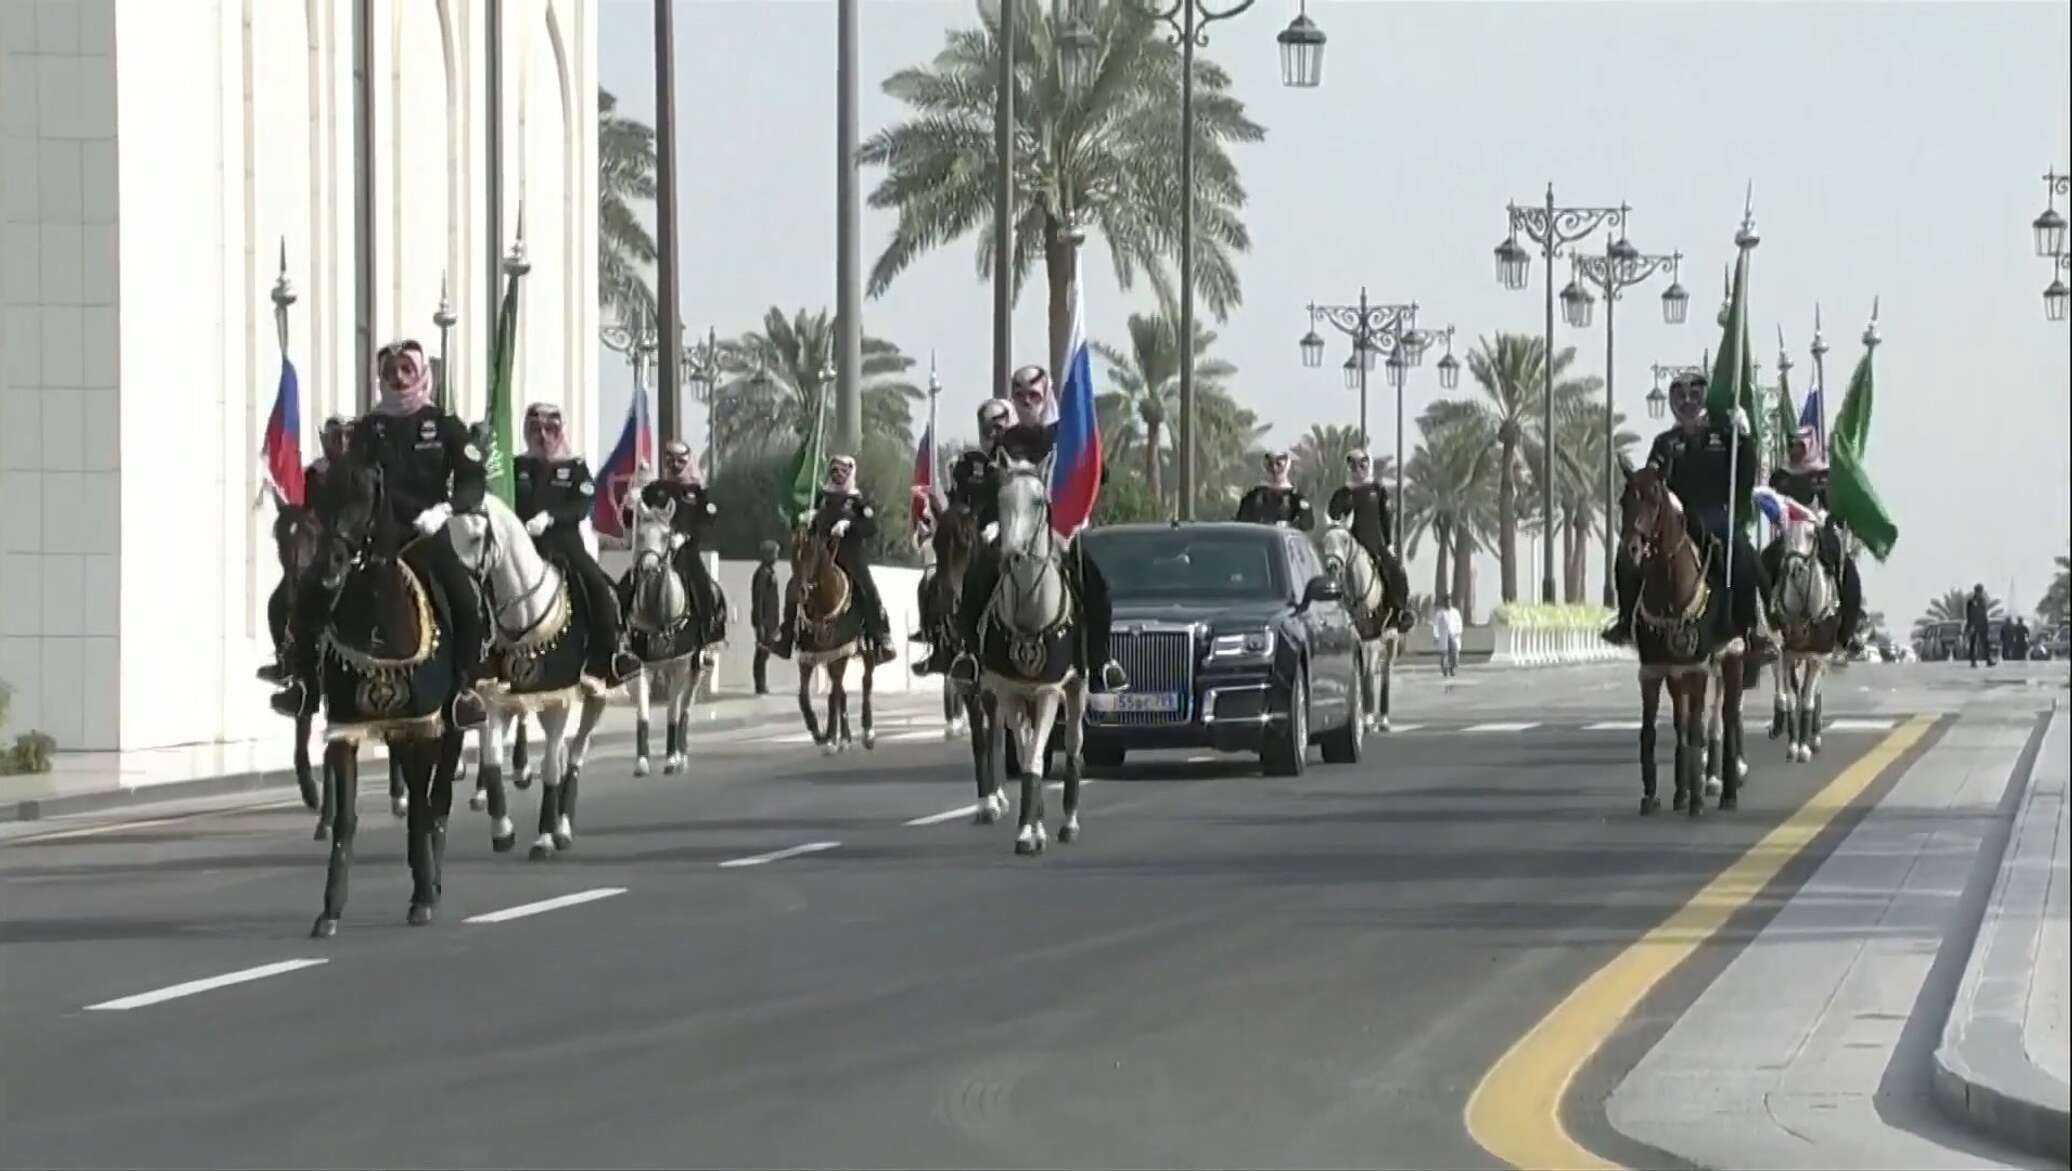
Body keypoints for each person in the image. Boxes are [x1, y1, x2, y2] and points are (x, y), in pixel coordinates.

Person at [271, 340, 490, 731]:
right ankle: (304, 682)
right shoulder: (369, 426)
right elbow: (349, 477)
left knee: (467, 602)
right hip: (375, 535)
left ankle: (464, 690)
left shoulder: (444, 424)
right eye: (390, 372)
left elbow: (473, 482)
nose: (399, 378)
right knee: (311, 592)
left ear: (423, 374)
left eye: (407, 369)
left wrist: (446, 510)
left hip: (426, 536)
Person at [950, 365, 1129, 692]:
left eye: (1033, 395)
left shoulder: (1068, 433)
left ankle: (1101, 662)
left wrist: (1087, 455)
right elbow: (995, 487)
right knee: (977, 577)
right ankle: (970, 655)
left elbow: (1097, 474)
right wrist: (990, 525)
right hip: (1016, 531)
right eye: (1019, 396)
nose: (1026, 401)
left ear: (1046, 396)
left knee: (1096, 587)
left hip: (1062, 532)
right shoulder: (1007, 441)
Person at [1603, 370, 1775, 662]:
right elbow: (1651, 482)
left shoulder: (1724, 437)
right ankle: (1625, 620)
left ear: (1704, 400)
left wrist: (1745, 441)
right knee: (1626, 555)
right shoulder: (1664, 443)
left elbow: (1745, 476)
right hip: (1677, 514)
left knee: (1744, 555)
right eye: (1679, 397)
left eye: (1693, 396)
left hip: (1715, 513)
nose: (1687, 403)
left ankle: (1753, 628)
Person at [514, 402, 640, 687]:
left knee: (599, 586)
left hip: (564, 544)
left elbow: (582, 506)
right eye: (536, 429)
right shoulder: (516, 466)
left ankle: (612, 653)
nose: (543, 436)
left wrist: (551, 518)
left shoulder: (575, 467)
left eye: (550, 429)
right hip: (522, 544)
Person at [912, 403, 1008, 677]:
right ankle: (937, 642)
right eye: (987, 428)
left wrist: (999, 526)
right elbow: (955, 499)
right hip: (966, 534)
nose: (992, 433)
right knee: (931, 581)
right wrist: (936, 519)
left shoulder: (1018, 460)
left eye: (997, 426)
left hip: (1003, 536)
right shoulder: (967, 464)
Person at [778, 454, 898, 667]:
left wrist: (849, 524)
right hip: (821, 556)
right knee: (794, 586)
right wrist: (809, 518)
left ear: (850, 473)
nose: (838, 475)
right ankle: (786, 636)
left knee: (869, 589)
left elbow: (870, 528)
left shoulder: (859, 501)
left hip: (850, 556)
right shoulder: (822, 497)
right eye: (834, 470)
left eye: (843, 471)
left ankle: (881, 638)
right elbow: (812, 528)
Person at [259, 415, 350, 684]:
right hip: (318, 548)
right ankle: (285, 662)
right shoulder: (313, 474)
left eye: (345, 436)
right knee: (279, 603)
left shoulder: (361, 471)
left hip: (351, 547)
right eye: (335, 437)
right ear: (325, 439)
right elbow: (300, 504)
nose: (341, 443)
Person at [1759, 426, 1863, 652]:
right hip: (1790, 532)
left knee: (1849, 573)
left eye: (1800, 446)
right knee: (1763, 565)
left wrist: (1832, 512)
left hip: (1819, 530)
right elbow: (1772, 503)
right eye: (1792, 446)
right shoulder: (1782, 476)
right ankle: (1765, 627)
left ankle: (1846, 633)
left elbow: (1835, 504)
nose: (1795, 450)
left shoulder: (1826, 474)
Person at [636, 441, 726, 646]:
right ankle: (623, 640)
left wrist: (685, 536)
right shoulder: (654, 489)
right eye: (670, 460)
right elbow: (634, 517)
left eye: (680, 460)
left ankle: (707, 638)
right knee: (627, 586)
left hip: (685, 552)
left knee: (704, 588)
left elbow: (707, 522)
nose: (675, 465)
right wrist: (635, 495)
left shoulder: (698, 492)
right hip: (656, 552)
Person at [1326, 450, 1416, 633]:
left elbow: (1386, 518)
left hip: (1375, 544)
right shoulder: (1341, 494)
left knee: (1396, 571)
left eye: (1362, 465)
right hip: (1348, 547)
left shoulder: (1377, 490)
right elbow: (1333, 519)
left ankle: (1400, 612)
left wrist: (1389, 543)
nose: (1358, 469)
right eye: (1353, 465)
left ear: (1368, 466)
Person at [1235, 450, 1315, 530]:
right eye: (1270, 464)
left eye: (1278, 464)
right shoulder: (1253, 496)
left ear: (1287, 464)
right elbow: (1241, 524)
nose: (1274, 469)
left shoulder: (1296, 498)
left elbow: (1307, 525)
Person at [749, 540, 781, 694]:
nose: (776, 557)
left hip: (770, 621)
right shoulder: (762, 574)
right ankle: (760, 685)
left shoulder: (768, 572)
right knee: (761, 653)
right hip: (765, 622)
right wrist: (760, 624)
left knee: (765, 653)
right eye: (774, 553)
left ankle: (761, 683)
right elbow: (759, 600)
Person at [1431, 594, 1464, 678]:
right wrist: (1436, 636)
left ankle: (1452, 669)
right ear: (1444, 602)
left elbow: (1459, 622)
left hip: (1454, 635)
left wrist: (1458, 632)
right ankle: (1444, 670)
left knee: (1454, 654)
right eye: (1446, 601)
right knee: (1444, 655)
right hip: (1444, 636)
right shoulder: (1440, 613)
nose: (1448, 603)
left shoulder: (1455, 612)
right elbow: (1435, 625)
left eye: (1449, 601)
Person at [1966, 584, 1996, 667]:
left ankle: (1988, 660)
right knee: (1973, 643)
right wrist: (1970, 625)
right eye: (1979, 591)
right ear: (1976, 591)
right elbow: (1969, 614)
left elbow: (1984, 613)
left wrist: (1986, 625)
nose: (1980, 592)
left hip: (1983, 624)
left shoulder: (1983, 600)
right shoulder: (1971, 601)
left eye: (1981, 591)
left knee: (1985, 642)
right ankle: (1973, 661)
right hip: (1974, 625)